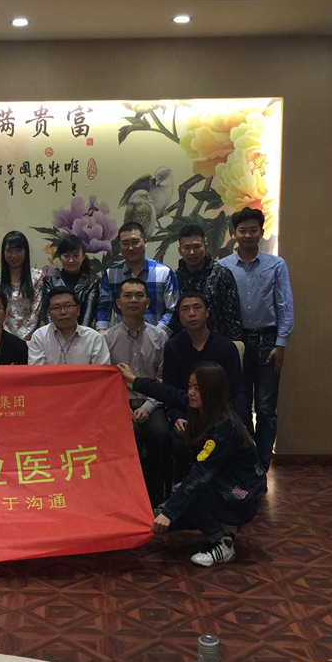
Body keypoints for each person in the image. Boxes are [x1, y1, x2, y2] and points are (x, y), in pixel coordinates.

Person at [118, 361, 265, 567]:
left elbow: (199, 476)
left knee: (186, 493)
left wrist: (169, 512)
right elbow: (167, 393)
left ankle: (222, 543)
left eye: (197, 388)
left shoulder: (224, 427)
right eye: (190, 386)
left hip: (241, 496)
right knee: (165, 516)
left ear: (212, 391)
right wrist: (134, 380)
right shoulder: (203, 408)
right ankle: (225, 527)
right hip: (225, 484)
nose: (191, 392)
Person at [219, 207, 294, 471]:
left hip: (268, 342)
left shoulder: (276, 265)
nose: (248, 235)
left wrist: (281, 343)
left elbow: (285, 306)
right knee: (239, 405)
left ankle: (262, 466)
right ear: (234, 233)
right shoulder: (223, 267)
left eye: (253, 230)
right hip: (236, 343)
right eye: (242, 230)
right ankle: (246, 463)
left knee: (265, 408)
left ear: (261, 233)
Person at [105, 278, 170, 506]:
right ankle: (128, 501)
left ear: (148, 302)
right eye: (128, 295)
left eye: (139, 295)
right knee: (128, 436)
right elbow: (105, 382)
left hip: (153, 403)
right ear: (118, 303)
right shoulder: (106, 338)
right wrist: (123, 406)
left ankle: (157, 502)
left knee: (160, 435)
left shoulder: (160, 337)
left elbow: (162, 379)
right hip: (120, 406)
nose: (134, 300)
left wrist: (148, 407)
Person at [163, 292, 249, 428]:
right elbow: (170, 388)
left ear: (207, 312)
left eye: (197, 307)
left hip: (222, 417)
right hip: (187, 416)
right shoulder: (173, 346)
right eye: (185, 309)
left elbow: (238, 390)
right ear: (179, 317)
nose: (192, 313)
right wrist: (177, 417)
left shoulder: (226, 346)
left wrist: (239, 421)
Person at [96, 222, 178, 333]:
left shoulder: (164, 272)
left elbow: (173, 310)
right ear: (119, 247)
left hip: (159, 339)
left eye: (135, 242)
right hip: (121, 339)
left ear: (145, 242)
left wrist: (156, 336)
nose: (130, 248)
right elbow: (104, 308)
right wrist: (102, 336)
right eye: (125, 243)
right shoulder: (111, 274)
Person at [169, 224, 242, 341]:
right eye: (187, 248)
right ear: (180, 251)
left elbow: (233, 317)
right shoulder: (174, 278)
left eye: (197, 247)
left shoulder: (221, 274)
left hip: (218, 344)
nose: (192, 252)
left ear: (206, 247)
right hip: (183, 345)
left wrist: (233, 346)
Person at [28, 288, 111, 365]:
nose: (63, 312)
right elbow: (38, 372)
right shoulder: (40, 336)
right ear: (49, 312)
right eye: (56, 307)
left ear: (78, 309)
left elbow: (102, 372)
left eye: (68, 306)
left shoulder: (94, 338)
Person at [0, 230, 45, 340]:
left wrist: (23, 338)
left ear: (26, 251)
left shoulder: (37, 277)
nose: (14, 255)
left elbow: (36, 311)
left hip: (30, 337)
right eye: (9, 251)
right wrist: (8, 337)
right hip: (2, 336)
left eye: (18, 250)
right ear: (3, 252)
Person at [39, 234, 100, 329]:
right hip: (54, 333)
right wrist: (52, 334)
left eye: (76, 255)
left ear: (83, 256)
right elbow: (48, 313)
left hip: (83, 333)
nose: (71, 260)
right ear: (60, 257)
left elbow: (88, 316)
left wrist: (80, 335)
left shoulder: (93, 282)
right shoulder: (50, 282)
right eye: (66, 256)